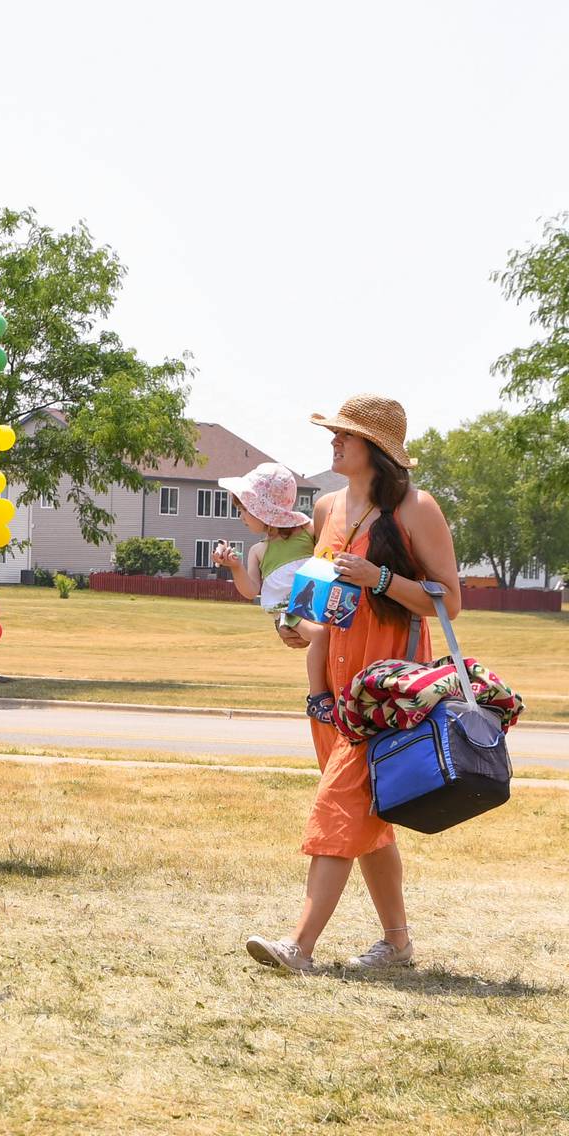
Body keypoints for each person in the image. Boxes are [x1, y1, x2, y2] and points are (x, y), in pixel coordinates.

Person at [246, 395, 461, 973]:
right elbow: (330, 607)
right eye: (334, 433)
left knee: (337, 809)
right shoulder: (328, 507)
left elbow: (449, 602)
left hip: (388, 693)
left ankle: (301, 947)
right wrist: (302, 629)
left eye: (345, 435)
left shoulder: (418, 509)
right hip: (330, 693)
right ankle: (397, 943)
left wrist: (382, 577)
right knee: (369, 819)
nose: (334, 441)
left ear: (376, 449)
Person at [211, 463, 331, 717]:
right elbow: (250, 590)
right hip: (290, 612)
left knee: (324, 635)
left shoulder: (308, 531)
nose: (241, 516)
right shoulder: (258, 551)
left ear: (262, 509)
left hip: (316, 605)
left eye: (244, 509)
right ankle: (318, 696)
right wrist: (235, 567)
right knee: (321, 636)